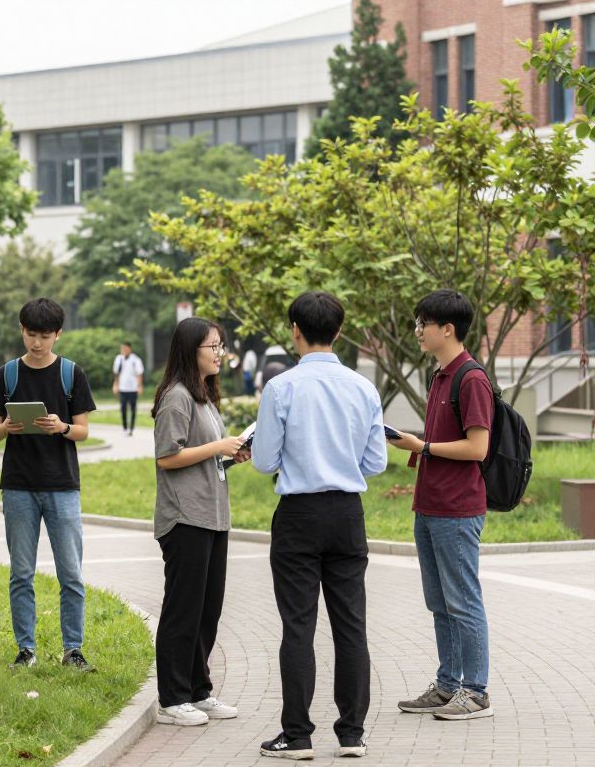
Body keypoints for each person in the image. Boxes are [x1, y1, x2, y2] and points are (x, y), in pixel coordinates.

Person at [252, 292, 387, 760]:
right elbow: (376, 462)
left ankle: (298, 735)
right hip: (348, 513)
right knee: (351, 626)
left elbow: (265, 458)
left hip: (299, 516)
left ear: (295, 329)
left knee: (298, 626)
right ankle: (352, 734)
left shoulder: (281, 387)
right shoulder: (363, 387)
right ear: (340, 330)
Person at [389, 289, 495, 721]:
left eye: (422, 323)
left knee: (463, 600)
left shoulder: (470, 379)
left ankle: (476, 691)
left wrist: (423, 446)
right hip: (430, 507)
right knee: (440, 602)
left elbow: (478, 447)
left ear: (446, 329)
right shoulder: (440, 376)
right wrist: (418, 445)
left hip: (457, 510)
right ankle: (448, 684)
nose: (417, 331)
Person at [0, 298, 97, 671]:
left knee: (71, 574)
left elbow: (82, 431)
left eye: (45, 336)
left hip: (62, 485)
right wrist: (8, 427)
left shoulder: (70, 374)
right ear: (22, 330)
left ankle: (73, 649)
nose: (37, 343)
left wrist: (60, 427)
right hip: (18, 485)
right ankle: (25, 649)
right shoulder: (8, 375)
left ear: (58, 334)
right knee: (21, 573)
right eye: (31, 335)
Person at [151, 317, 249, 727]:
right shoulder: (176, 398)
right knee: (183, 610)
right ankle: (171, 699)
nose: (219, 353)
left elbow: (204, 454)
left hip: (212, 516)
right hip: (185, 518)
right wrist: (215, 447)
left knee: (207, 610)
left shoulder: (204, 396)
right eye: (213, 346)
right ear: (191, 350)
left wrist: (230, 453)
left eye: (221, 345)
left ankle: (198, 690)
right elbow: (166, 457)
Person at [112, 341, 144, 435]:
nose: (123, 350)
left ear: (129, 349)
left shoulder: (136, 360)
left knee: (133, 409)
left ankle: (131, 428)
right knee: (123, 408)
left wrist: (139, 386)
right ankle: (125, 428)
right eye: (122, 349)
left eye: (125, 348)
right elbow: (116, 373)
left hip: (133, 389)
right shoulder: (119, 359)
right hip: (122, 388)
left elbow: (139, 374)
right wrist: (115, 385)